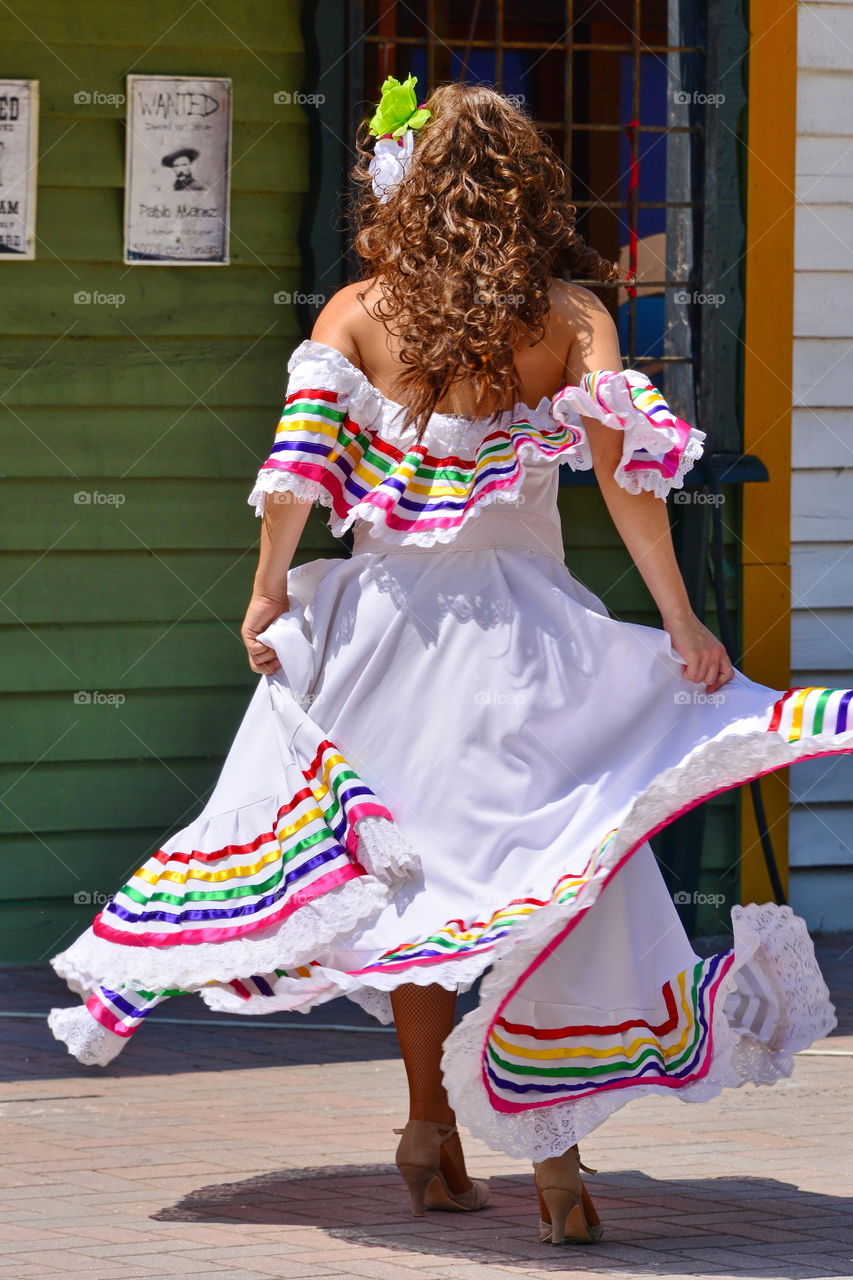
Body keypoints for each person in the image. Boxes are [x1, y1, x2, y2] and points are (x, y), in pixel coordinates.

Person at [49, 80, 850, 1248]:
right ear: (525, 188)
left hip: (386, 639)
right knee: (554, 875)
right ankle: (556, 1158)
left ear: (405, 185)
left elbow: (298, 476)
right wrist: (678, 619)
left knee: (420, 889)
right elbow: (632, 483)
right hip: (528, 635)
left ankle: (430, 1127)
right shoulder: (572, 314)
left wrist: (270, 588)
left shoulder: (357, 312)